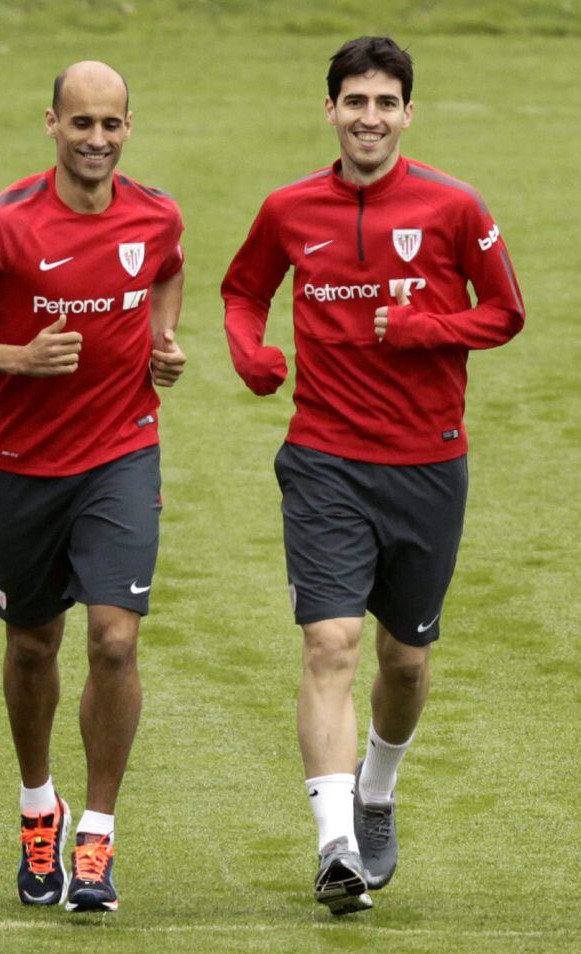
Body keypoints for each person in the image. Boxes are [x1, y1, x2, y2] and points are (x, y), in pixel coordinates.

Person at [221, 36, 523, 915]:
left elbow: (506, 312)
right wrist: (251, 353)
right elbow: (244, 289)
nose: (369, 118)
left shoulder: (454, 206)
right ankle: (336, 847)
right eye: (355, 101)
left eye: (386, 103)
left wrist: (426, 328)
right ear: (330, 110)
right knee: (331, 645)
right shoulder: (289, 209)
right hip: (324, 459)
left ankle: (377, 789)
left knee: (405, 656)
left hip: (429, 464)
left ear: (407, 114)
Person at [0, 60, 186, 913]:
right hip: (22, 467)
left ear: (128, 128)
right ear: (52, 125)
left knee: (114, 642)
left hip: (122, 452)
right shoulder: (2, 226)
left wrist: (162, 340)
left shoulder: (156, 211)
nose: (96, 139)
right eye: (81, 124)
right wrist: (14, 359)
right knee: (33, 645)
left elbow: (166, 268)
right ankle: (39, 807)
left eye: (111, 124)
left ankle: (95, 835)